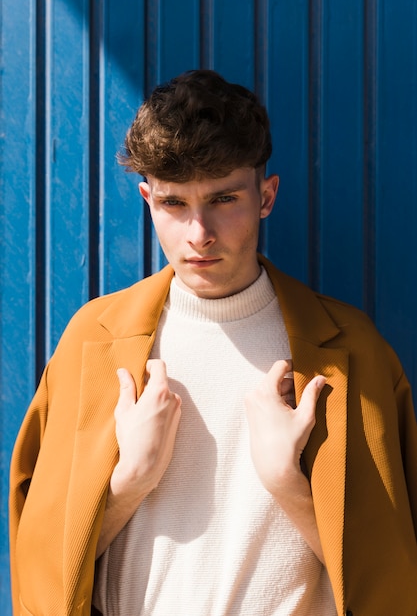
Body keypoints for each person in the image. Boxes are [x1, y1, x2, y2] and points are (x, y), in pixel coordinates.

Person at [9, 70, 417, 616]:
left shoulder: (355, 351)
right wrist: (131, 480)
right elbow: (38, 570)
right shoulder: (94, 339)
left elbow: (391, 582)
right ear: (147, 199)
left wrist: (287, 483)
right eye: (174, 204)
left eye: (224, 198)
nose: (199, 233)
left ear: (266, 195)